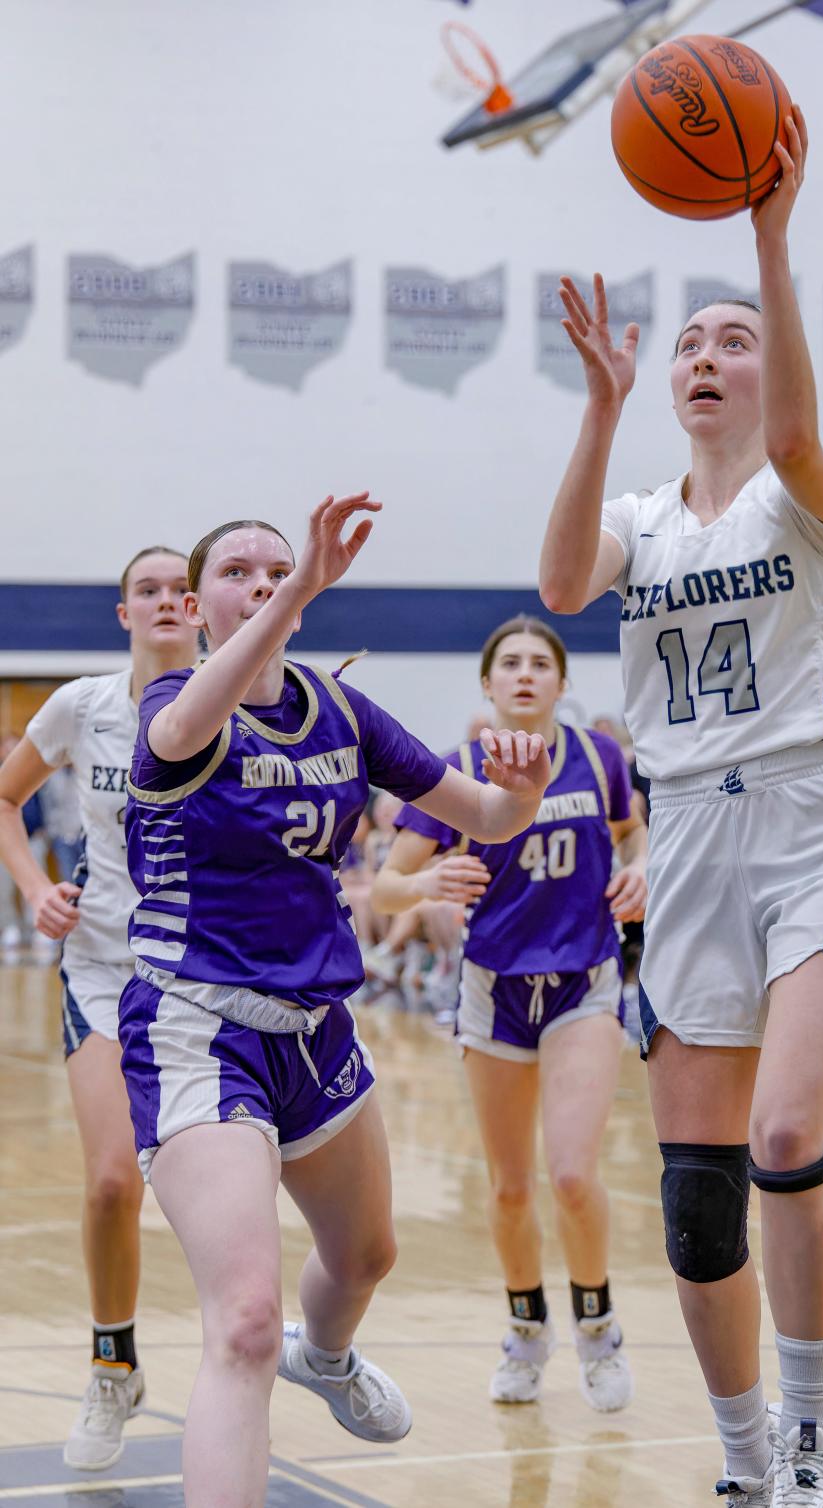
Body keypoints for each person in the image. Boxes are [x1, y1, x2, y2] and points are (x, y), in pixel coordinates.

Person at [539, 109, 823, 1507]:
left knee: (786, 1138)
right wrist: (597, 402)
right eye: (691, 342)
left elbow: (799, 425)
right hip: (686, 833)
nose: (705, 356)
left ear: (769, 374)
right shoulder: (645, 516)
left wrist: (769, 237)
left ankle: (816, 1430)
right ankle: (746, 1452)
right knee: (697, 1214)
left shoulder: (812, 497)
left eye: (729, 341)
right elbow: (565, 583)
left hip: (817, 821)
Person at [117, 498, 552, 1508]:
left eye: (280, 568)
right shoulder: (173, 706)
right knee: (244, 1324)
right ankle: (282, 1363)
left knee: (366, 1254)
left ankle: (332, 1354)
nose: (263, 579)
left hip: (317, 1031)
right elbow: (189, 727)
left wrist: (520, 793)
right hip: (199, 1026)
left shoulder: (343, 711)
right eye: (239, 570)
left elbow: (479, 813)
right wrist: (306, 582)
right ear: (196, 602)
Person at [371, 615, 648, 1412]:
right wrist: (427, 887)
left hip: (583, 983)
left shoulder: (599, 758)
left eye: (540, 663)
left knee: (570, 1173)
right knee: (508, 1189)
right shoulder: (456, 772)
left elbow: (636, 837)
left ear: (561, 682)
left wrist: (643, 870)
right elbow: (388, 884)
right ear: (488, 685)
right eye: (510, 665)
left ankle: (597, 1324)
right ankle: (527, 1327)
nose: (525, 674)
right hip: (494, 990)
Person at [0, 547, 197, 1470]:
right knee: (115, 1180)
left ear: (203, 611)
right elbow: (6, 800)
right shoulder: (82, 706)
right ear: (124, 613)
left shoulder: (236, 706)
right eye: (146, 590)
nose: (165, 601)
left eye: (179, 590)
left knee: (220, 1189)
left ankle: (279, 1340)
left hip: (210, 975)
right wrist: (34, 885)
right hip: (103, 969)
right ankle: (112, 1363)